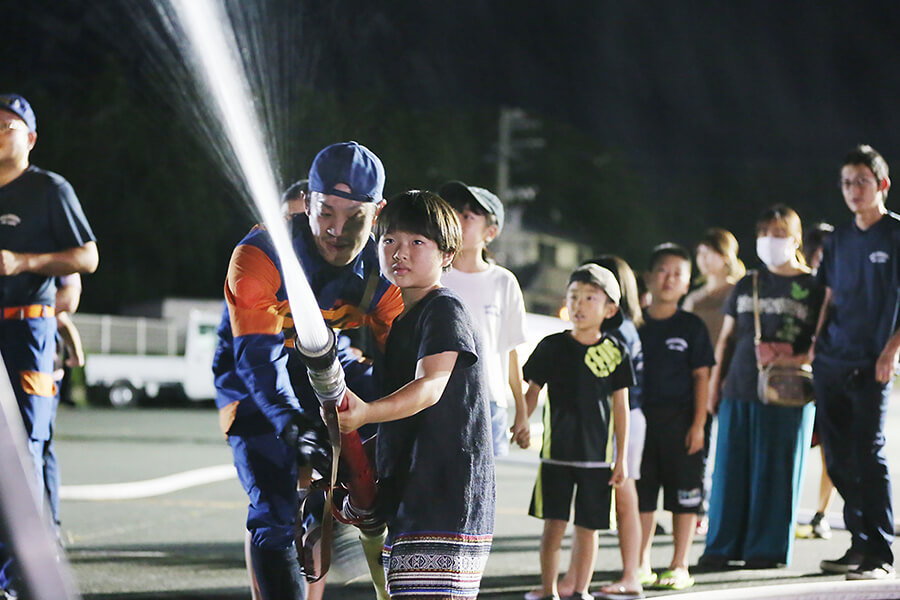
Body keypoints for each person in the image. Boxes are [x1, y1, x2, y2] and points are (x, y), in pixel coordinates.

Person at [216, 141, 404, 599]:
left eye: (355, 218)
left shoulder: (386, 270)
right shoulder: (259, 254)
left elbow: (401, 366)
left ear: (377, 213)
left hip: (325, 359)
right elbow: (259, 362)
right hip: (254, 371)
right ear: (308, 204)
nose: (337, 231)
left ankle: (338, 511)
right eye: (326, 213)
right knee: (275, 509)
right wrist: (293, 425)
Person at [336, 190, 495, 599]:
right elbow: (403, 419)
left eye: (417, 242)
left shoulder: (443, 309)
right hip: (417, 495)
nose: (399, 253)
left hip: (445, 496)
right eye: (389, 241)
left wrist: (367, 412)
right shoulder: (402, 320)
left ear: (446, 254)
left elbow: (429, 387)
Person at [0, 93, 98, 598]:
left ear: (31, 138)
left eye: (8, 124)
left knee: (28, 446)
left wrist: (23, 263)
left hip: (27, 330)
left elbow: (86, 258)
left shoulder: (48, 190)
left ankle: (24, 574)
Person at [700, 206, 823, 570]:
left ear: (796, 238)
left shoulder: (814, 286)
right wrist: (713, 387)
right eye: (765, 232)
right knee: (729, 471)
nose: (771, 239)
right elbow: (725, 339)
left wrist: (792, 358)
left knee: (777, 470)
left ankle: (766, 549)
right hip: (739, 387)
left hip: (789, 393)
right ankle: (721, 547)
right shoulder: (748, 282)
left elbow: (822, 342)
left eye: (780, 232)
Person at [523, 263, 634, 600]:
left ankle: (581, 590)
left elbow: (621, 408)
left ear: (609, 308)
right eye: (574, 296)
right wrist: (521, 422)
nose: (579, 304)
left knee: (588, 528)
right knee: (553, 527)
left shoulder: (615, 352)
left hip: (596, 460)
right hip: (555, 455)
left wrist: (621, 458)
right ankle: (549, 589)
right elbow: (532, 390)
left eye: (590, 297)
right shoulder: (551, 346)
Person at [814, 144, 900, 580]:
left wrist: (891, 350)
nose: (853, 190)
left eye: (862, 181)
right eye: (847, 182)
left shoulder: (896, 234)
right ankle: (858, 542)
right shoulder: (838, 238)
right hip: (831, 357)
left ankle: (881, 553)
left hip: (873, 362)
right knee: (837, 456)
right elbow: (828, 295)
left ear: (882, 184)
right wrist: (815, 344)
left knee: (869, 453)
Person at [636, 243, 714, 591]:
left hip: (682, 422)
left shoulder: (692, 326)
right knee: (642, 496)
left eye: (677, 274)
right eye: (663, 271)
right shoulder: (632, 325)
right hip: (640, 422)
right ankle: (639, 563)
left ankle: (679, 565)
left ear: (686, 284)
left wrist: (698, 425)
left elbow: (702, 377)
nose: (669, 279)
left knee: (685, 497)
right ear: (650, 278)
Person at [439, 181, 529, 455]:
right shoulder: (435, 274)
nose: (458, 218)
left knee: (481, 489)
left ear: (490, 232)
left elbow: (510, 351)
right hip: (437, 395)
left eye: (469, 215)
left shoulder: (503, 281)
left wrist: (521, 412)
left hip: (488, 400)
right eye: (455, 211)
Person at [682, 228, 745, 535]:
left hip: (730, 376)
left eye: (710, 253)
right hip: (695, 378)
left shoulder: (738, 291)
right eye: (700, 254)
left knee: (726, 446)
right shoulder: (694, 295)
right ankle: (697, 507)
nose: (703, 260)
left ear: (726, 256)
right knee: (698, 446)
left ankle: (722, 508)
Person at [801, 222, 835, 541]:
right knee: (794, 447)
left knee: (830, 452)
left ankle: (821, 513)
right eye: (816, 250)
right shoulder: (800, 285)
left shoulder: (842, 285)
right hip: (798, 376)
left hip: (830, 376)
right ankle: (785, 508)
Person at [44, 274, 85, 540]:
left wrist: (75, 352)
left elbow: (66, 307)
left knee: (40, 446)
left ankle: (50, 528)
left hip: (43, 369)